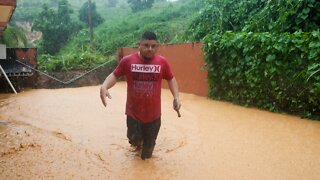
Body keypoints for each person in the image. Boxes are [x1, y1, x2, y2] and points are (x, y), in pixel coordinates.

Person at [100, 31, 181, 160]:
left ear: (157, 46)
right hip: (134, 114)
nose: (150, 49)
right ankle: (138, 142)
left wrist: (176, 97)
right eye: (146, 45)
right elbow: (115, 75)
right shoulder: (127, 61)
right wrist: (104, 86)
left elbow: (171, 79)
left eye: (153, 46)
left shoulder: (162, 62)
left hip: (154, 116)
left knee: (147, 157)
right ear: (139, 44)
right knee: (134, 140)